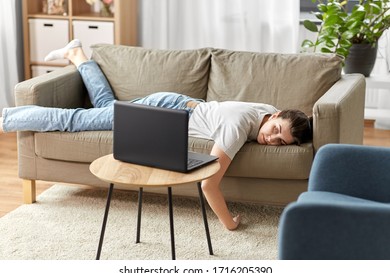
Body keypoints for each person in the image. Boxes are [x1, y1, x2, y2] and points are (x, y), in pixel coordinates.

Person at [0, 40, 313, 230]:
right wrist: (230, 223)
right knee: (75, 120)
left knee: (109, 109)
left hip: (172, 103)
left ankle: (78, 55)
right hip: (162, 110)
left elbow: (285, 125)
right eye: (275, 130)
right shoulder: (237, 127)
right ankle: (6, 118)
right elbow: (208, 183)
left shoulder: (266, 109)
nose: (272, 139)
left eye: (280, 141)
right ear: (273, 116)